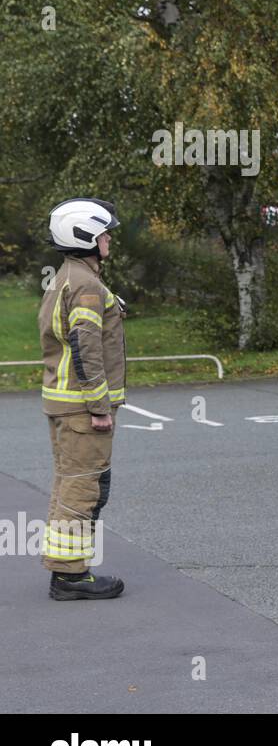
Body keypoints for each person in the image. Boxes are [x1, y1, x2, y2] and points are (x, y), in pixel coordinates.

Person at [40, 198, 127, 600]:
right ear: (86, 236)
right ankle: (71, 577)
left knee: (69, 485)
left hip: (64, 405)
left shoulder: (67, 276)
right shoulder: (87, 285)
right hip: (81, 408)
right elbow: (86, 347)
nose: (109, 238)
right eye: (104, 232)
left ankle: (67, 569)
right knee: (83, 489)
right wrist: (99, 406)